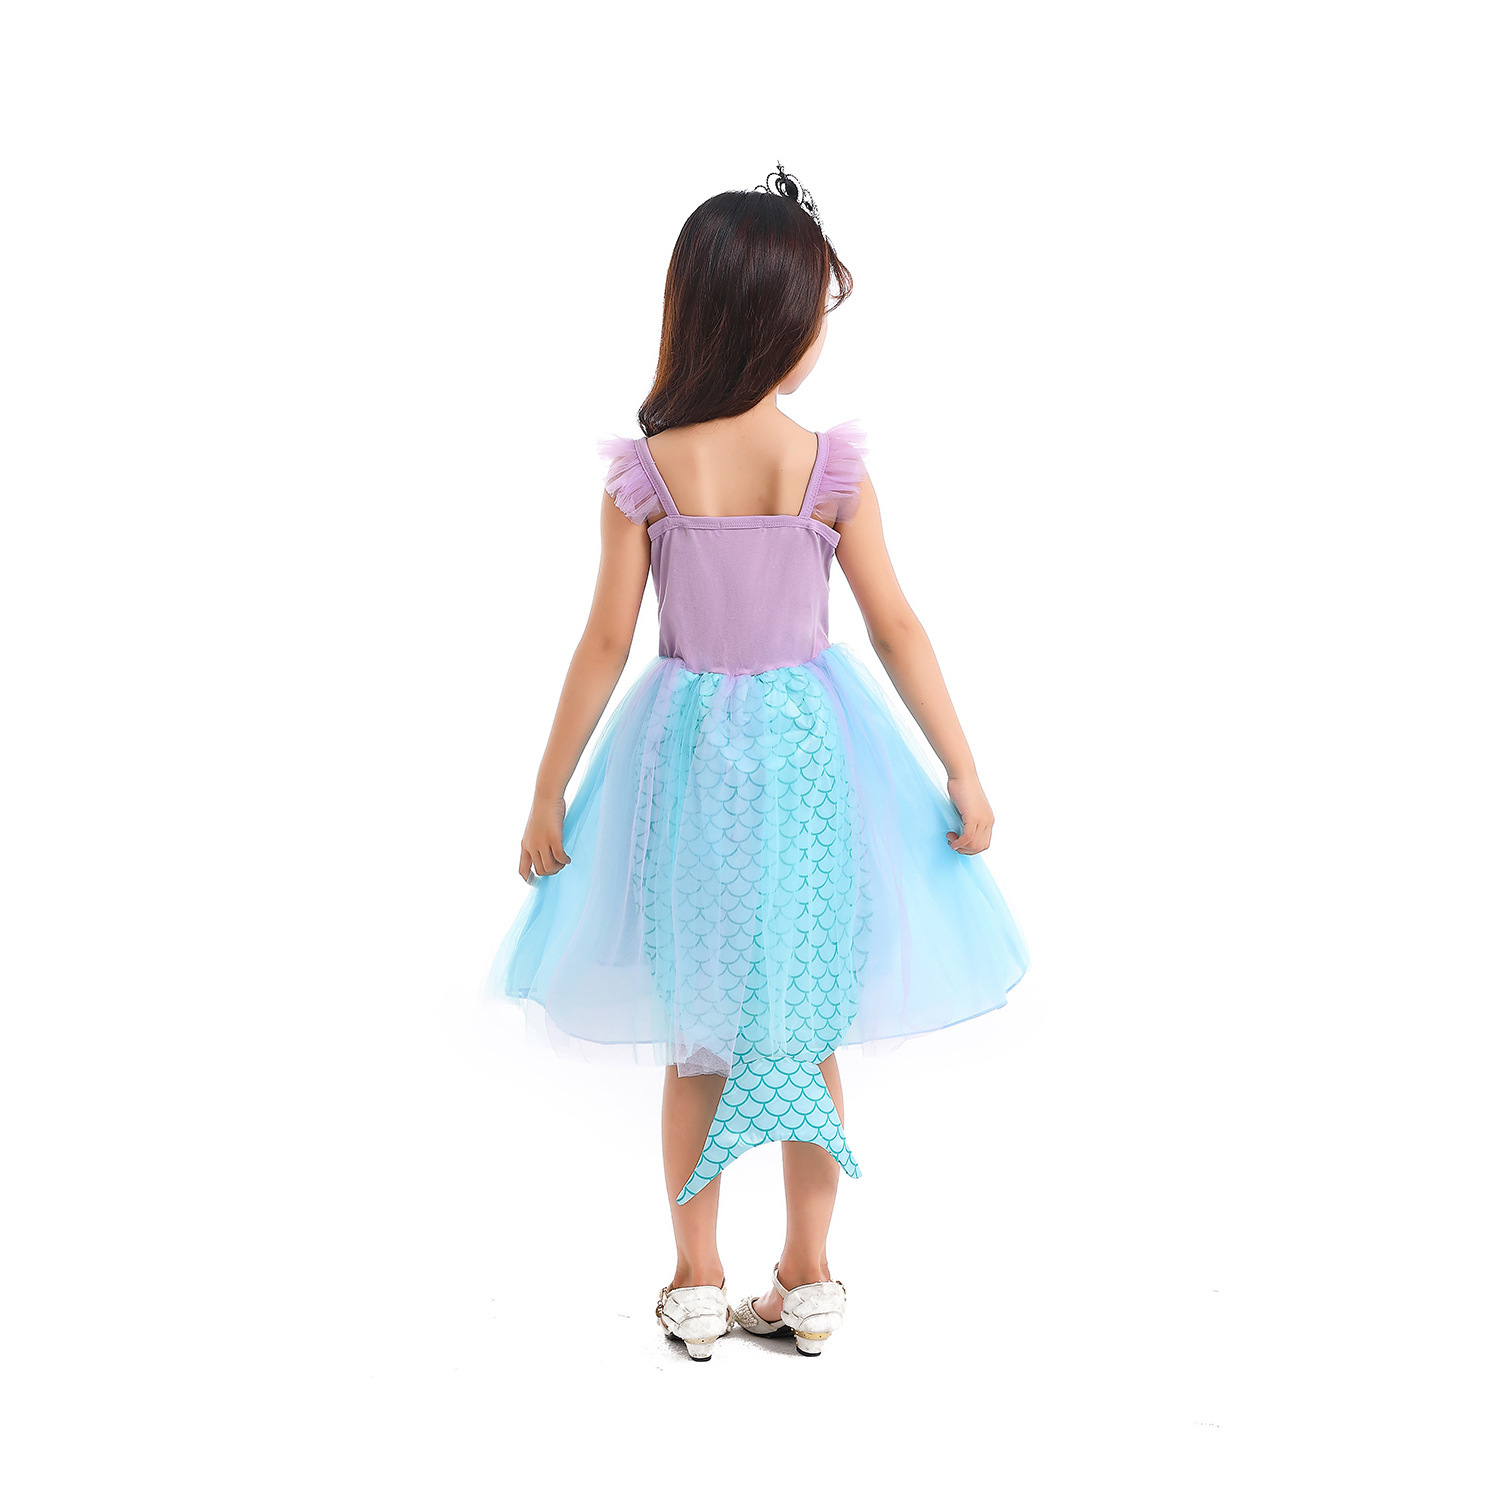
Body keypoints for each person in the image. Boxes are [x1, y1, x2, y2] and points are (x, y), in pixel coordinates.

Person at [487, 165, 1028, 1359]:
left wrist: (549, 789)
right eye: (817, 309)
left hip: (687, 764)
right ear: (778, 320)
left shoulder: (650, 473)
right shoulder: (826, 466)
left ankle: (695, 1281)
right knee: (807, 1015)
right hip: (812, 759)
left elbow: (605, 641)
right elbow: (896, 625)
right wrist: (962, 768)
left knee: (700, 1026)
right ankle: (810, 1276)